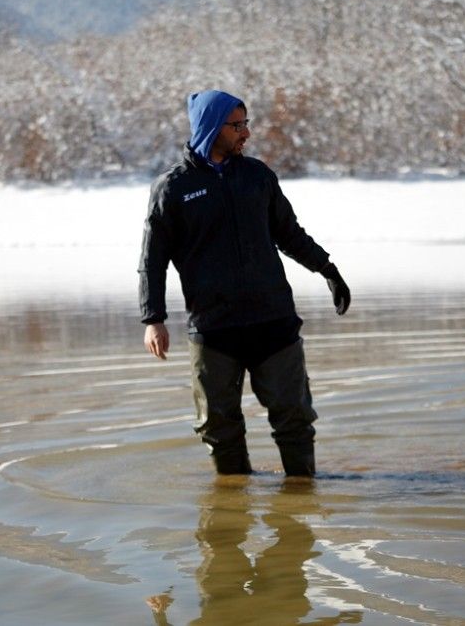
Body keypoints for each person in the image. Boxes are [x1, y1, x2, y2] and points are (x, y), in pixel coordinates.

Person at [138, 89, 350, 477]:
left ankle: (300, 500)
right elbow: (153, 260)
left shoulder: (257, 177)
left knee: (295, 420)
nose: (246, 134)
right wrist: (153, 318)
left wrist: (328, 270)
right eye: (237, 126)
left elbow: (290, 234)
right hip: (214, 328)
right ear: (211, 127)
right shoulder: (173, 188)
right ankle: (233, 507)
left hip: (273, 323)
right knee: (218, 428)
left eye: (246, 124)